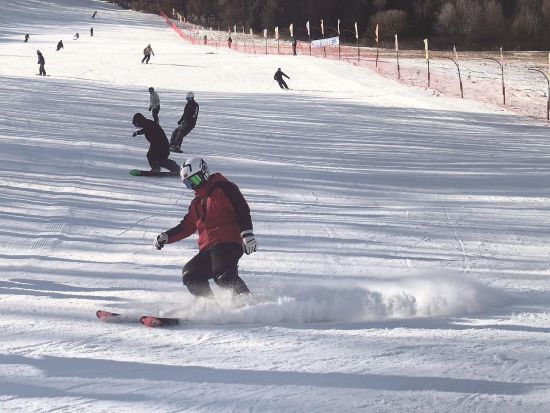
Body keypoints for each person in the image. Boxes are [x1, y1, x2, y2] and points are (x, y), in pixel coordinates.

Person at [154, 157, 257, 298]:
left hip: (228, 242)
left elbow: (241, 209)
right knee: (191, 274)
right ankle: (208, 305)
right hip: (208, 249)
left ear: (204, 173)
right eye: (188, 183)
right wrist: (167, 236)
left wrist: (247, 234)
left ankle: (246, 301)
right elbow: (186, 226)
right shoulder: (196, 203)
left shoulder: (224, 188)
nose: (193, 186)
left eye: (195, 180)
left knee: (223, 274)